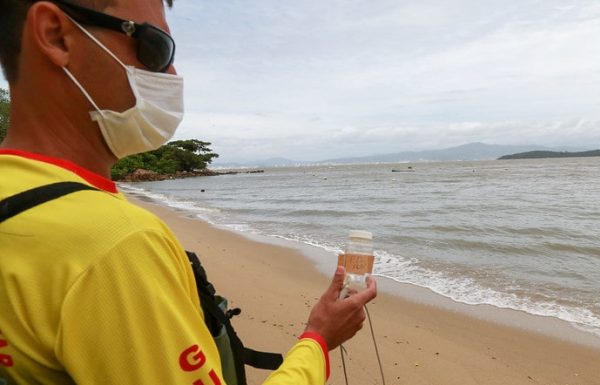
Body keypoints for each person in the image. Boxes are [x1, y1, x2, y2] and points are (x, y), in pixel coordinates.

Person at [0, 0, 377, 384]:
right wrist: (317, 338)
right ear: (55, 35)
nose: (172, 73)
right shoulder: (115, 245)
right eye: (156, 48)